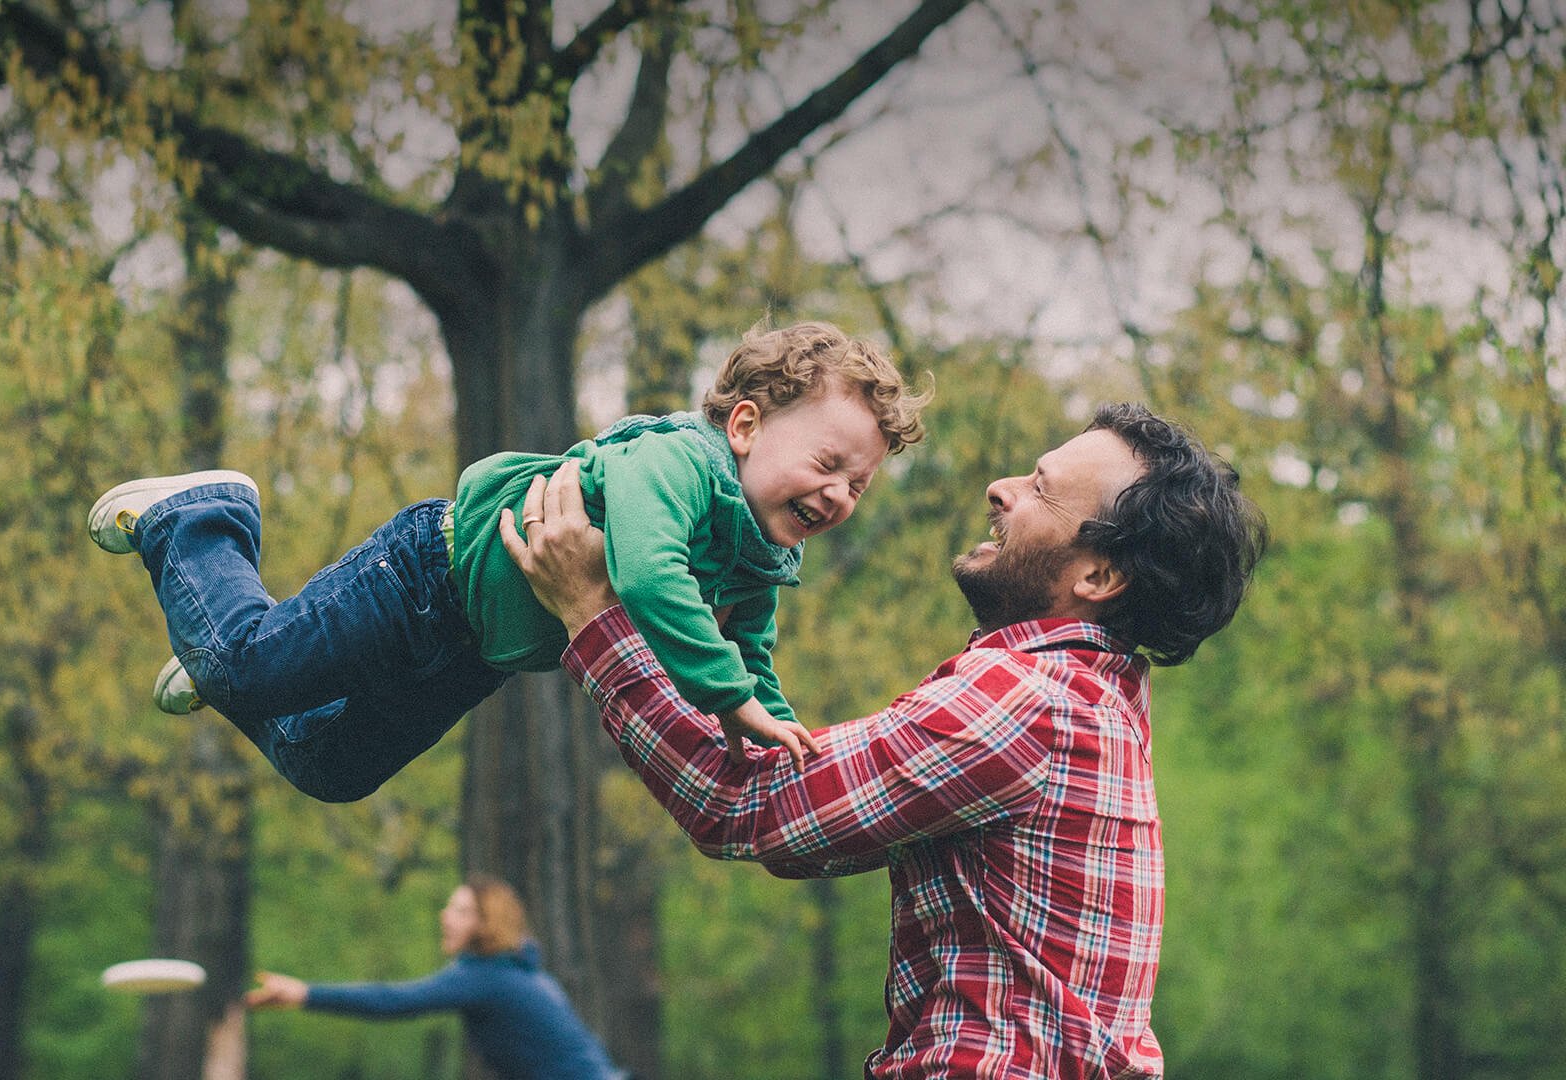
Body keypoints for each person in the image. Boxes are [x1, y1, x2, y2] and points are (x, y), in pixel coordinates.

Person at [498, 403, 1268, 1080]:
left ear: (1098, 575)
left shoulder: (1026, 705)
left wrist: (594, 616)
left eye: (1039, 489)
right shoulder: (1098, 703)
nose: (1001, 489)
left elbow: (748, 807)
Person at [87, 321, 927, 802]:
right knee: (244, 665)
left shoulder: (759, 558)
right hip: (424, 578)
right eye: (827, 465)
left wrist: (776, 735)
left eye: (857, 485)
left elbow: (753, 657)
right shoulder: (679, 464)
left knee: (329, 769)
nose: (839, 497)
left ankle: (223, 645)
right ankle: (206, 521)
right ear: (744, 426)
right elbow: (645, 572)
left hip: (473, 657)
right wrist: (730, 700)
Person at [244, 875, 627, 1080]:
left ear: (485, 923)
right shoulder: (518, 971)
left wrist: (305, 994)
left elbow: (394, 1001)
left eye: (460, 910)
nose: (445, 916)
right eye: (449, 907)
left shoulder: (487, 976)